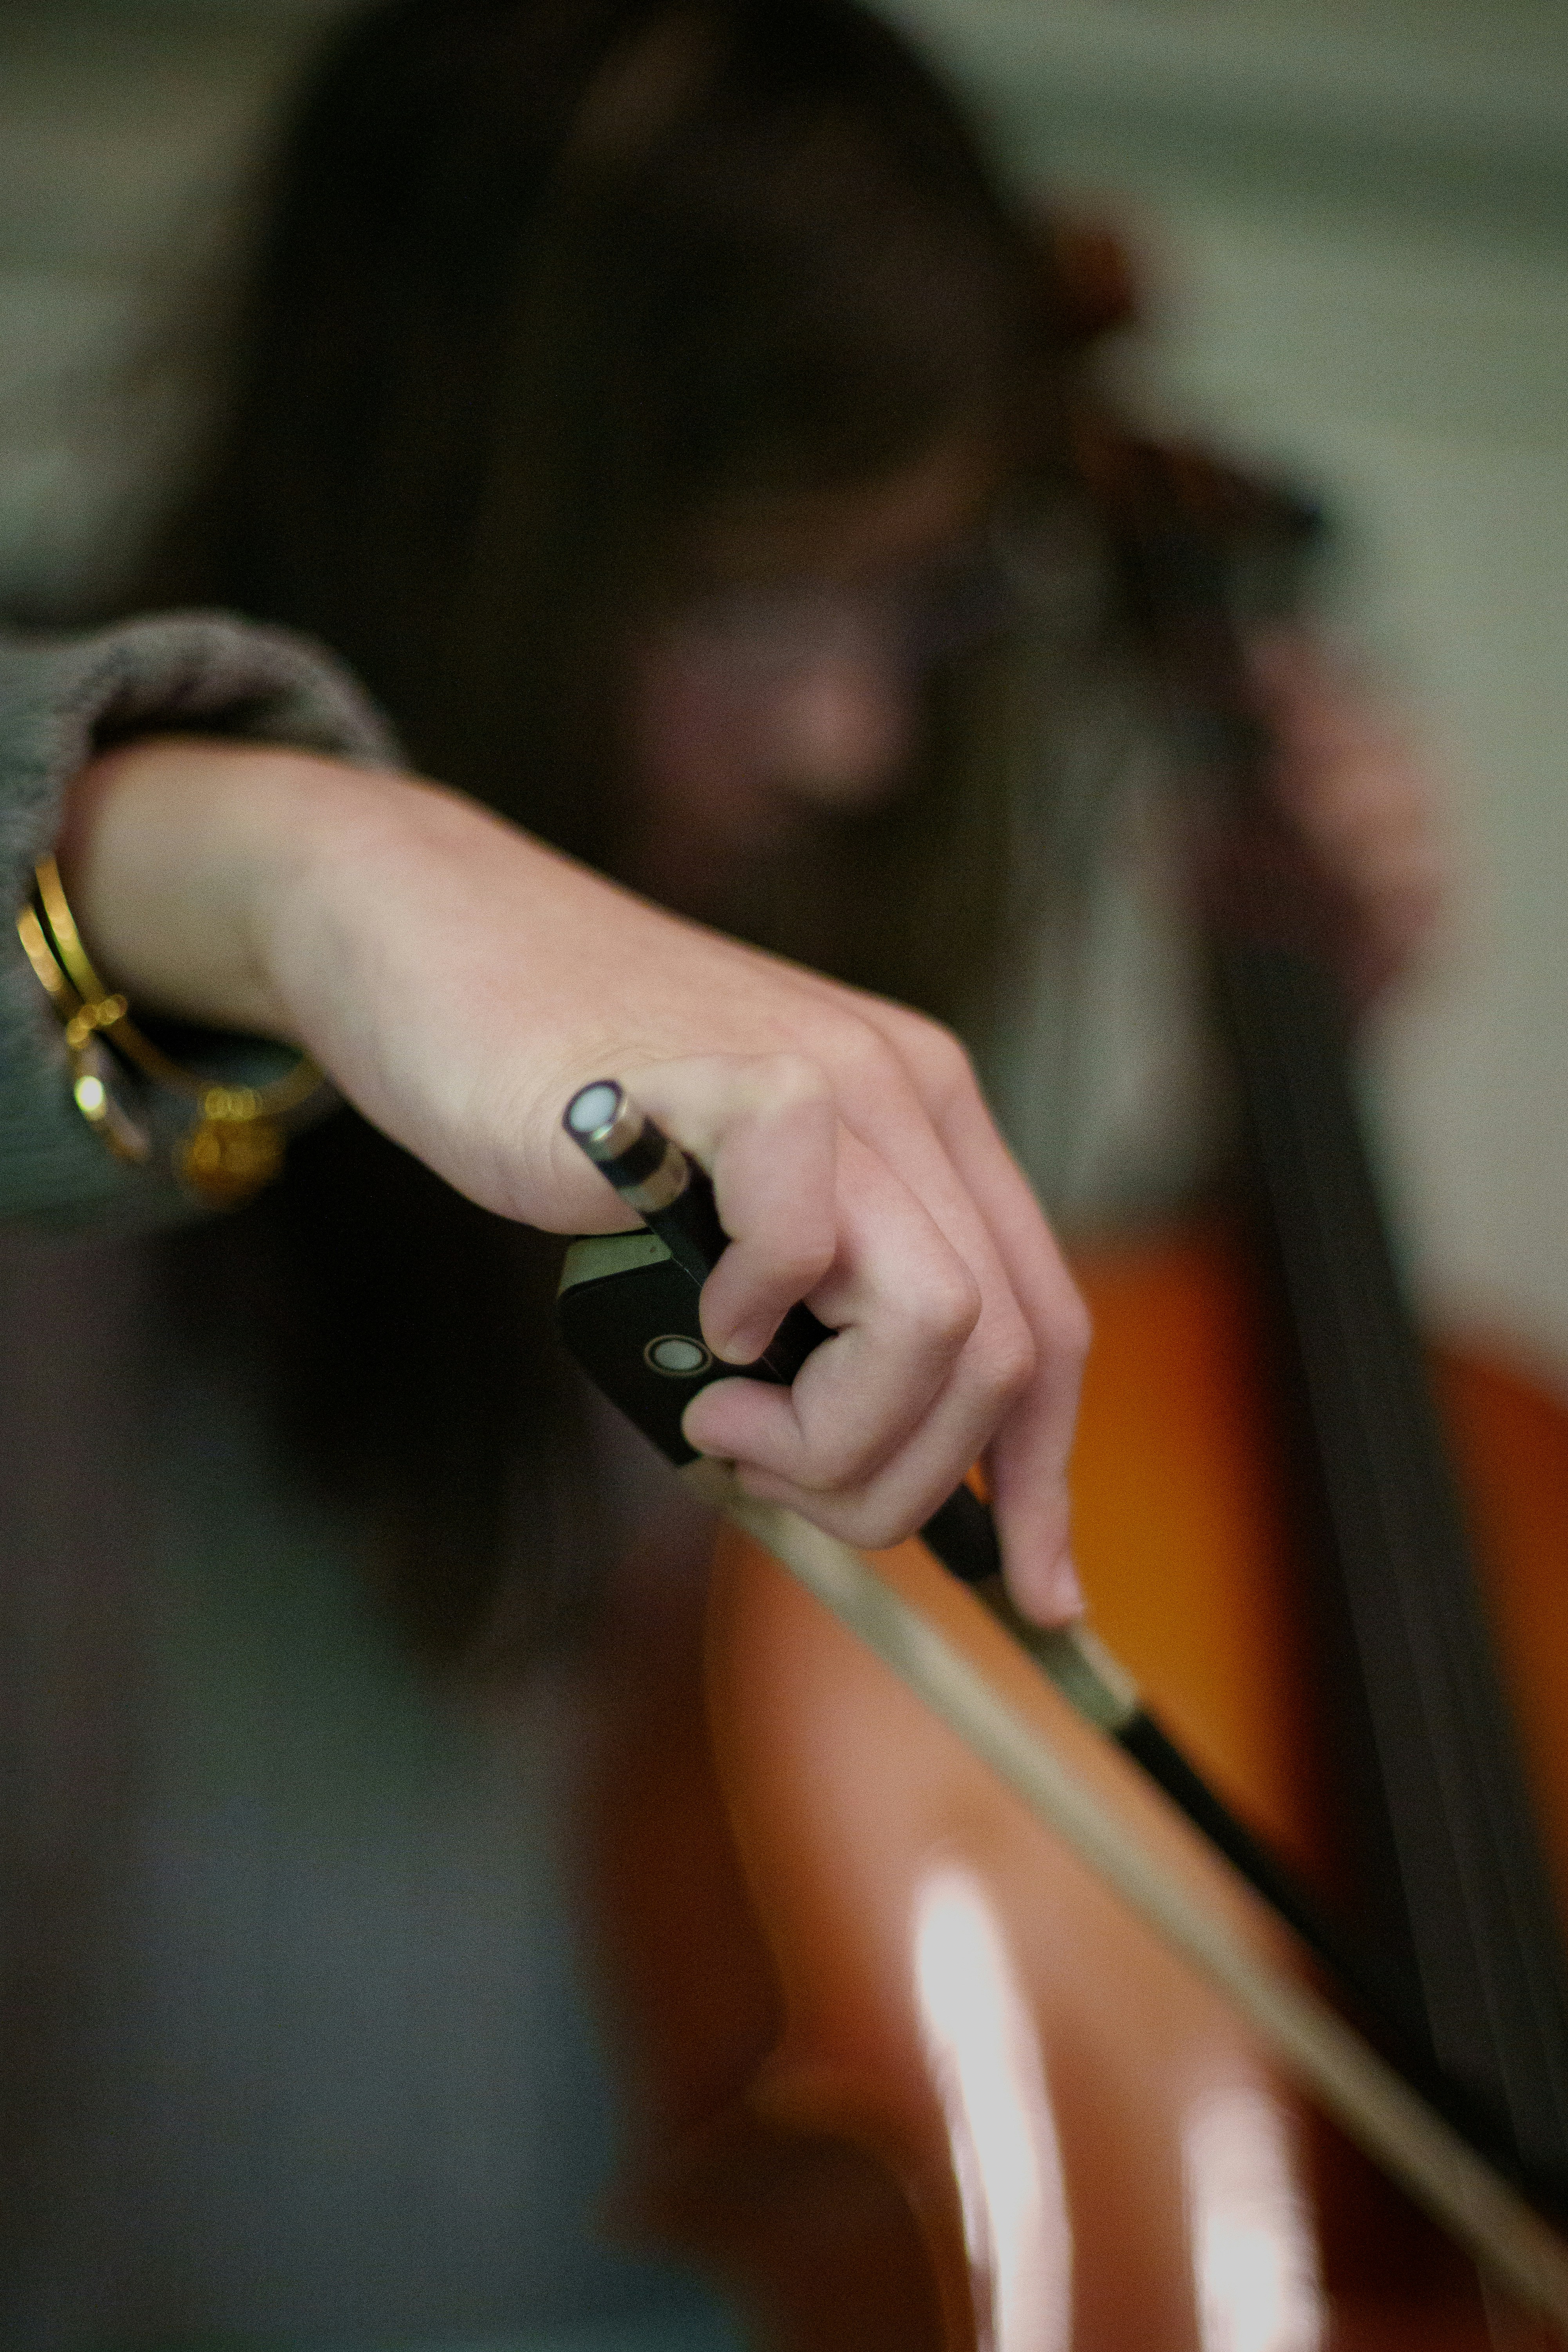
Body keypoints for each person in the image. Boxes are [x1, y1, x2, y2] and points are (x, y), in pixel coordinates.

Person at [0, 1, 1439, 2344]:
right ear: (452, 512)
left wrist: (1283, 1084)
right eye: (741, 595)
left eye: (918, 598)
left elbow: (1046, 1634)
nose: (853, 732)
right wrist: (300, 860)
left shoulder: (836, 974)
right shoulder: (91, 910)